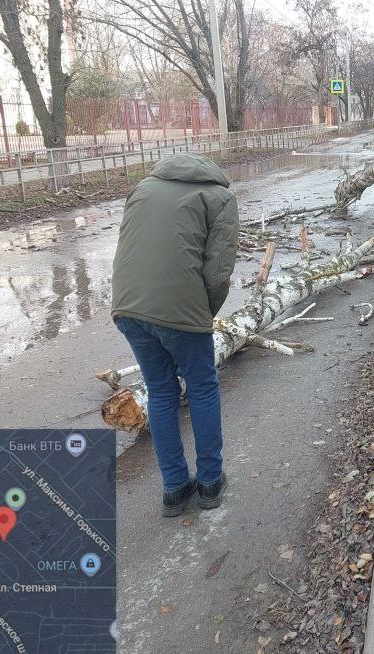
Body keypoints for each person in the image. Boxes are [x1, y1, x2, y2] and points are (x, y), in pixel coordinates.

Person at [111, 151, 239, 516]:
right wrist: (202, 316)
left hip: (127, 306)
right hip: (180, 308)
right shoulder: (220, 198)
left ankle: (174, 488)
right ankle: (210, 482)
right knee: (202, 386)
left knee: (161, 391)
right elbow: (218, 272)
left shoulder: (142, 188)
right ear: (212, 173)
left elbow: (129, 246)